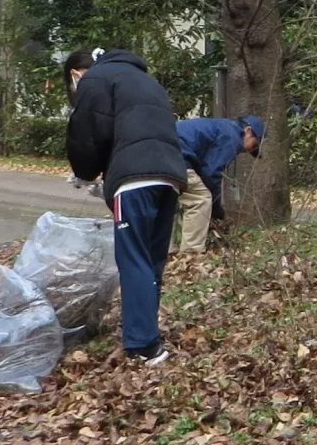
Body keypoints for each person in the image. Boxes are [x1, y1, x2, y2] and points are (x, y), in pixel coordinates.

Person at [65, 48, 187, 365]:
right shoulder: (147, 81)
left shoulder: (96, 80)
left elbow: (88, 133)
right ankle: (146, 333)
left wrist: (84, 172)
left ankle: (143, 345)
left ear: (80, 72)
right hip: (170, 177)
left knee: (133, 259)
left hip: (133, 179)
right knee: (150, 260)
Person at [171, 115, 265, 253]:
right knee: (200, 199)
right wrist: (216, 208)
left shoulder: (221, 126)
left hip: (158, 152)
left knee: (167, 200)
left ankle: (164, 251)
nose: (249, 151)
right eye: (254, 145)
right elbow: (211, 173)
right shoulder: (233, 137)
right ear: (248, 131)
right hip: (178, 156)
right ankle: (190, 254)